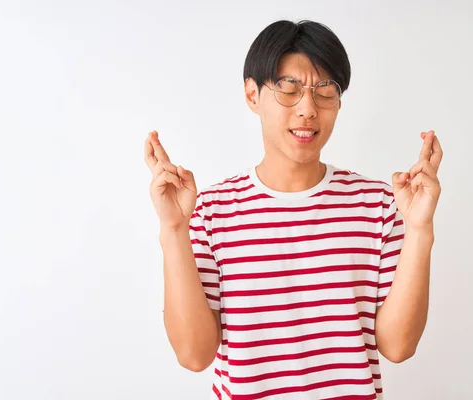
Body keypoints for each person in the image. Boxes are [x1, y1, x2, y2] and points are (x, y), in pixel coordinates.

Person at [144, 19, 442, 400]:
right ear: (252, 95)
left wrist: (420, 230)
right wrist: (172, 231)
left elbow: (398, 347)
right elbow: (193, 355)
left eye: (325, 91)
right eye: (289, 88)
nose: (308, 109)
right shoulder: (210, 210)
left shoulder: (378, 204)